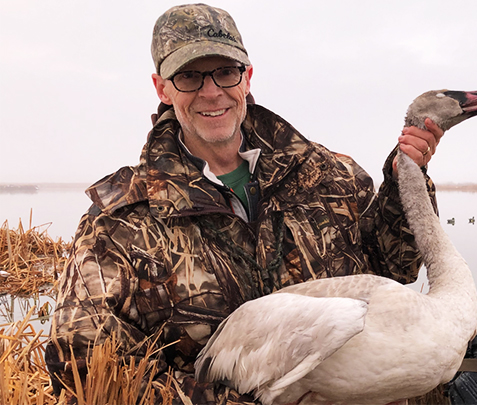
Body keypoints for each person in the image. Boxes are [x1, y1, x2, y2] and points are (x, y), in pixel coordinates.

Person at [46, 3, 444, 404]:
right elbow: (84, 369)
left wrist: (403, 182)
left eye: (225, 71)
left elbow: (392, 268)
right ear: (161, 88)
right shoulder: (120, 224)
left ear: (247, 77)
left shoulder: (327, 176)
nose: (211, 91)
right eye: (188, 76)